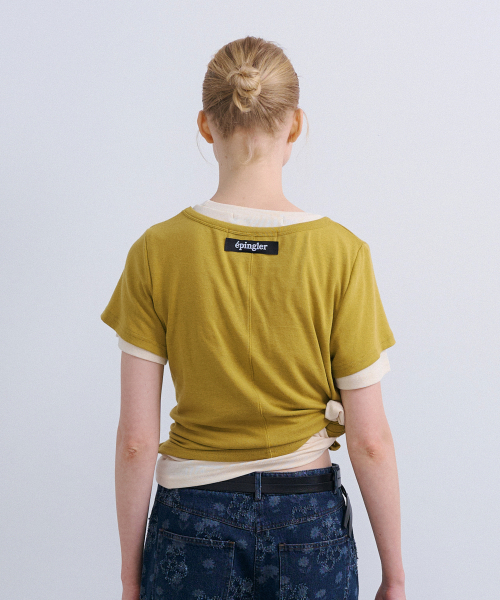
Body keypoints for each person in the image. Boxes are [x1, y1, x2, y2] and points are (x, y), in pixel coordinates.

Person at [101, 36, 405, 600]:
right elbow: (371, 442)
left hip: (190, 522)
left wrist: (129, 575)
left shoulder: (157, 251)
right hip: (307, 520)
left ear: (205, 125)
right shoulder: (342, 254)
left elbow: (137, 442)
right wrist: (396, 575)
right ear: (295, 125)